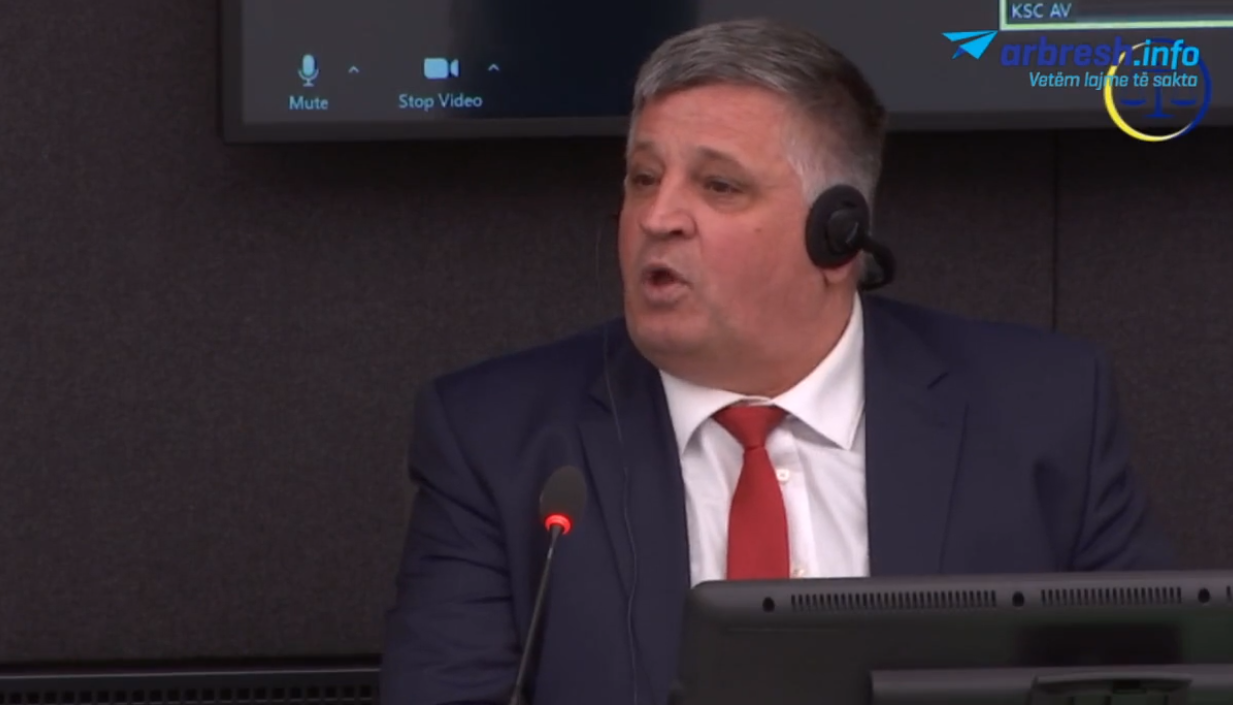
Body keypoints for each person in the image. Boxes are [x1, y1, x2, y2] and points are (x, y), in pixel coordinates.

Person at [379, 17, 1173, 705]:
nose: (657, 216)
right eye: (643, 178)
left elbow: (1145, 682)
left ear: (836, 235)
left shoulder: (1041, 411)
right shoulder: (497, 439)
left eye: (718, 185)